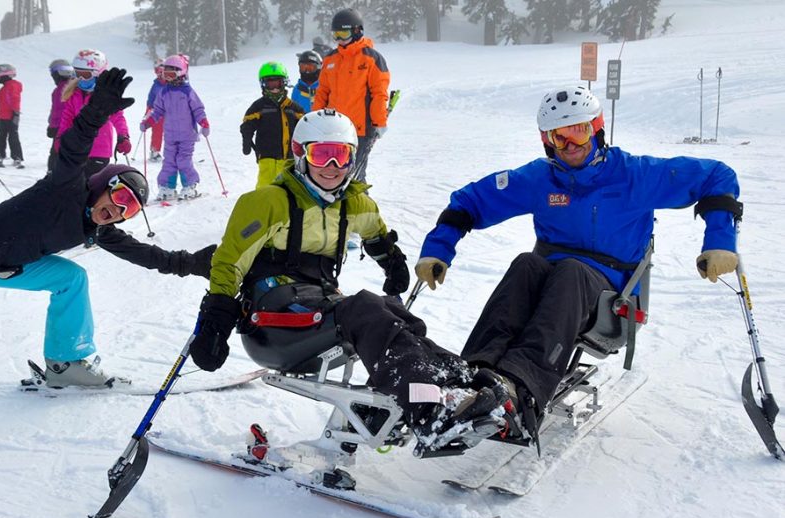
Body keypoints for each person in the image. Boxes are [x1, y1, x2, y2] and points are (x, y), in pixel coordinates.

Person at [415, 84, 742, 439]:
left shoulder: (635, 175)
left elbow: (716, 175)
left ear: (597, 128)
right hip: (552, 280)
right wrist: (438, 249)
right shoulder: (541, 179)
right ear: (546, 140)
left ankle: (519, 388)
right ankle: (475, 377)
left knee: (571, 271)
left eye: (580, 131)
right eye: (560, 137)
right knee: (526, 263)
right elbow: (471, 201)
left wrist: (720, 241)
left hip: (612, 300)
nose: (571, 145)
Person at [0, 68, 217, 388]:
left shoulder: (98, 226)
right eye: (118, 196)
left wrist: (189, 264)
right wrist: (96, 112)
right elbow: (74, 147)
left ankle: (65, 364)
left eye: (127, 209)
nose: (116, 210)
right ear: (102, 185)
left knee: (70, 278)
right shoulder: (66, 185)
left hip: (7, 265)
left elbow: (143, 253)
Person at [191, 109, 502, 447]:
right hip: (271, 324)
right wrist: (216, 320)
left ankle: (461, 385)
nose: (332, 167)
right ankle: (426, 410)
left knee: (392, 313)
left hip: (316, 308)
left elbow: (377, 234)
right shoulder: (268, 202)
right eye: (321, 154)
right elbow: (228, 262)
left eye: (341, 156)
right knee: (363, 307)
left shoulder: (353, 204)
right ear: (300, 154)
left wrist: (392, 263)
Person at [312, 8, 390, 183]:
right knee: (331, 173)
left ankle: (361, 208)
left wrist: (379, 123)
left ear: (357, 31)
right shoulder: (330, 59)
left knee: (353, 177)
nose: (339, 39)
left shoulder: (372, 58)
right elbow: (322, 92)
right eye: (336, 34)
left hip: (360, 130)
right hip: (332, 127)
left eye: (343, 33)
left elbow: (379, 94)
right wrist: (315, 119)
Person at [139, 54, 208, 201]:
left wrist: (204, 123)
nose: (168, 78)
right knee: (169, 161)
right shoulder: (164, 92)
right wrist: (148, 121)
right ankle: (167, 188)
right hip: (170, 135)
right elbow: (157, 111)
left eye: (171, 74)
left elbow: (198, 110)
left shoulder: (188, 92)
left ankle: (189, 185)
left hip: (187, 135)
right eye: (165, 74)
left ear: (181, 73)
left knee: (183, 160)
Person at [55, 49, 131, 178]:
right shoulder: (75, 94)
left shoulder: (105, 96)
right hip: (76, 149)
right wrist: (60, 137)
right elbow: (67, 118)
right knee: (74, 187)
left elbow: (118, 117)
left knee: (93, 188)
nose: (80, 78)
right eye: (76, 73)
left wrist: (123, 136)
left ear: (98, 73)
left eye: (85, 74)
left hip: (99, 151)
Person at [241, 61, 304, 188]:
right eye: (270, 84)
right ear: (263, 85)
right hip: (267, 157)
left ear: (284, 83)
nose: (274, 89)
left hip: (289, 159)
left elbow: (305, 127)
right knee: (265, 186)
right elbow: (248, 124)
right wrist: (247, 139)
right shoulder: (259, 106)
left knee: (288, 187)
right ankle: (262, 206)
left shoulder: (294, 108)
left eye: (278, 83)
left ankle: (287, 207)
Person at [0, 63, 24, 168]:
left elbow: (14, 99)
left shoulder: (14, 85)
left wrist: (15, 112)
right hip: (2, 116)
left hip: (12, 116)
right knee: (2, 135)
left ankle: (16, 157)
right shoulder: (4, 87)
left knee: (13, 136)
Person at [46, 58, 75, 172]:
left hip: (61, 128)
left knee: (56, 152)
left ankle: (52, 174)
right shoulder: (73, 86)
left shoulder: (60, 89)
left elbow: (57, 111)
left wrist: (52, 127)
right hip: (72, 127)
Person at [145, 59, 166, 162]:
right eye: (158, 72)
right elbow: (150, 100)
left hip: (171, 113)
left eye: (163, 72)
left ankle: (175, 152)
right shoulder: (155, 85)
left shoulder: (172, 84)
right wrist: (148, 112)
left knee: (173, 132)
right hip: (157, 113)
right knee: (157, 131)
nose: (161, 75)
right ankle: (154, 151)